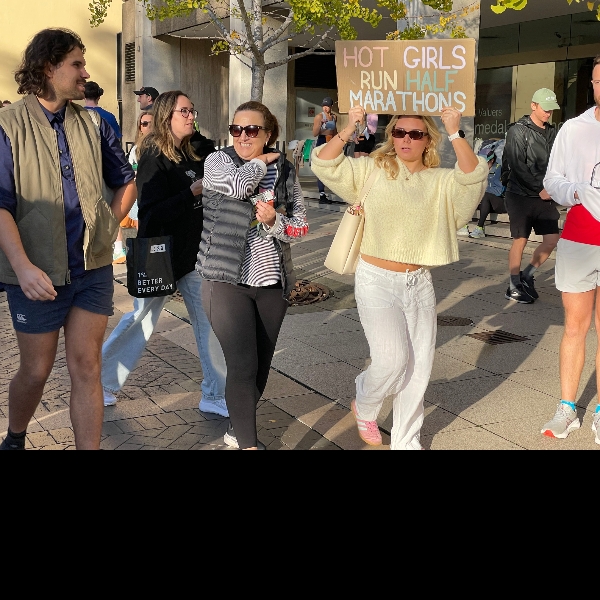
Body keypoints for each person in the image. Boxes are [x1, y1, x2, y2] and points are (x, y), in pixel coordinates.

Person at [311, 106, 487, 450]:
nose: (406, 139)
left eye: (416, 134)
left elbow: (473, 177)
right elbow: (324, 163)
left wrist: (454, 131)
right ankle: (366, 403)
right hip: (376, 278)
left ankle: (407, 441)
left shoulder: (440, 180)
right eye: (399, 132)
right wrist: (349, 127)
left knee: (418, 369)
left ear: (428, 141)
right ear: (391, 136)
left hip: (418, 281)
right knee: (391, 360)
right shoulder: (372, 169)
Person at [0, 28, 136, 450]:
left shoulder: (94, 123)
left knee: (87, 367)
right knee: (36, 371)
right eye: (77, 64)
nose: (85, 72)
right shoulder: (7, 125)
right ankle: (15, 437)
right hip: (36, 274)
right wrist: (22, 267)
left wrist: (107, 226)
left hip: (91, 271)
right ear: (48, 67)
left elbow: (126, 181)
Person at [101, 91, 228, 417]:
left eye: (192, 110)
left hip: (195, 255)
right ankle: (100, 382)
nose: (190, 116)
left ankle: (215, 394)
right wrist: (190, 193)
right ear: (166, 115)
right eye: (183, 111)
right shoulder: (154, 158)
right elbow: (152, 213)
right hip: (161, 255)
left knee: (209, 323)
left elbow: (217, 157)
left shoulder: (196, 150)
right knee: (141, 320)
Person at [199, 100, 309, 450]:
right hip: (224, 281)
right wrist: (261, 161)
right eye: (236, 129)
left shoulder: (286, 172)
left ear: (268, 133)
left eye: (251, 130)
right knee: (243, 365)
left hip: (271, 283)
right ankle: (248, 444)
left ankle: (237, 428)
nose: (242, 136)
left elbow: (301, 226)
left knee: (260, 367)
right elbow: (237, 187)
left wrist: (275, 222)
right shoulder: (217, 161)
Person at [540, 55, 600, 443]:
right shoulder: (574, 129)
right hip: (580, 239)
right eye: (598, 80)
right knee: (575, 326)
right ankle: (567, 408)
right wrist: (576, 191)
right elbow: (552, 180)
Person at [502, 88, 559, 304]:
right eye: (545, 109)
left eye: (551, 110)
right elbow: (517, 165)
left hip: (544, 194)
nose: (548, 113)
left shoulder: (552, 132)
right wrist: (538, 188)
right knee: (521, 239)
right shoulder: (518, 131)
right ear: (533, 106)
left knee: (552, 239)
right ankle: (513, 285)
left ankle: (526, 275)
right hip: (520, 194)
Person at [120, 110, 153, 231]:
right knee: (140, 223)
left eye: (152, 123)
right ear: (140, 128)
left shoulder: (164, 145)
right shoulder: (136, 149)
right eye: (144, 124)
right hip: (140, 189)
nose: (149, 127)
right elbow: (131, 168)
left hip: (157, 190)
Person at [468, 139, 507, 239]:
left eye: (485, 163)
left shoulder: (499, 169)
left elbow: (499, 190)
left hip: (500, 201)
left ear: (492, 160)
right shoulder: (481, 170)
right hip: (485, 202)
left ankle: (480, 228)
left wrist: (484, 189)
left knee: (485, 196)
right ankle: (464, 225)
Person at [311, 96, 338, 204]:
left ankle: (333, 189)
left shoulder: (334, 117)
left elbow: (335, 131)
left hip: (331, 141)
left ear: (331, 106)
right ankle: (322, 194)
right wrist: (320, 124)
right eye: (324, 106)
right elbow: (314, 133)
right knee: (321, 167)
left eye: (327, 106)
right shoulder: (319, 116)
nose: (325, 108)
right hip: (322, 140)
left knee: (332, 166)